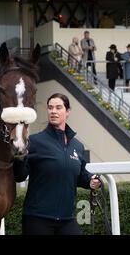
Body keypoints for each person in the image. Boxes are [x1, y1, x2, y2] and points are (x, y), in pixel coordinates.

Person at [13, 93, 101, 235]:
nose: (53, 111)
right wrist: (18, 157)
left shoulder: (77, 146)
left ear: (67, 112)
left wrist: (91, 180)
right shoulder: (34, 141)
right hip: (37, 218)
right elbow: (20, 176)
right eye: (50, 108)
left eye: (58, 107)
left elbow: (80, 174)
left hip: (67, 219)